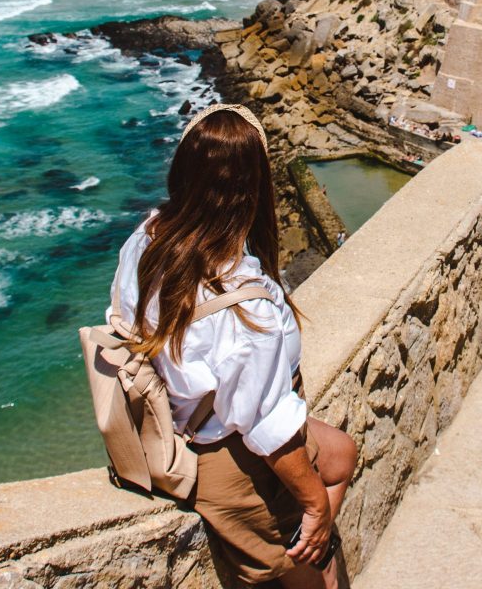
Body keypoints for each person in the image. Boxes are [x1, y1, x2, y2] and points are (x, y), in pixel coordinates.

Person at [108, 103, 357, 587]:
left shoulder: (147, 238)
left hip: (179, 418)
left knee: (341, 453)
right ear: (252, 189)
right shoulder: (243, 305)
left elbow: (123, 314)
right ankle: (308, 557)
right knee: (319, 570)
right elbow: (265, 424)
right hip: (231, 458)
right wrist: (312, 508)